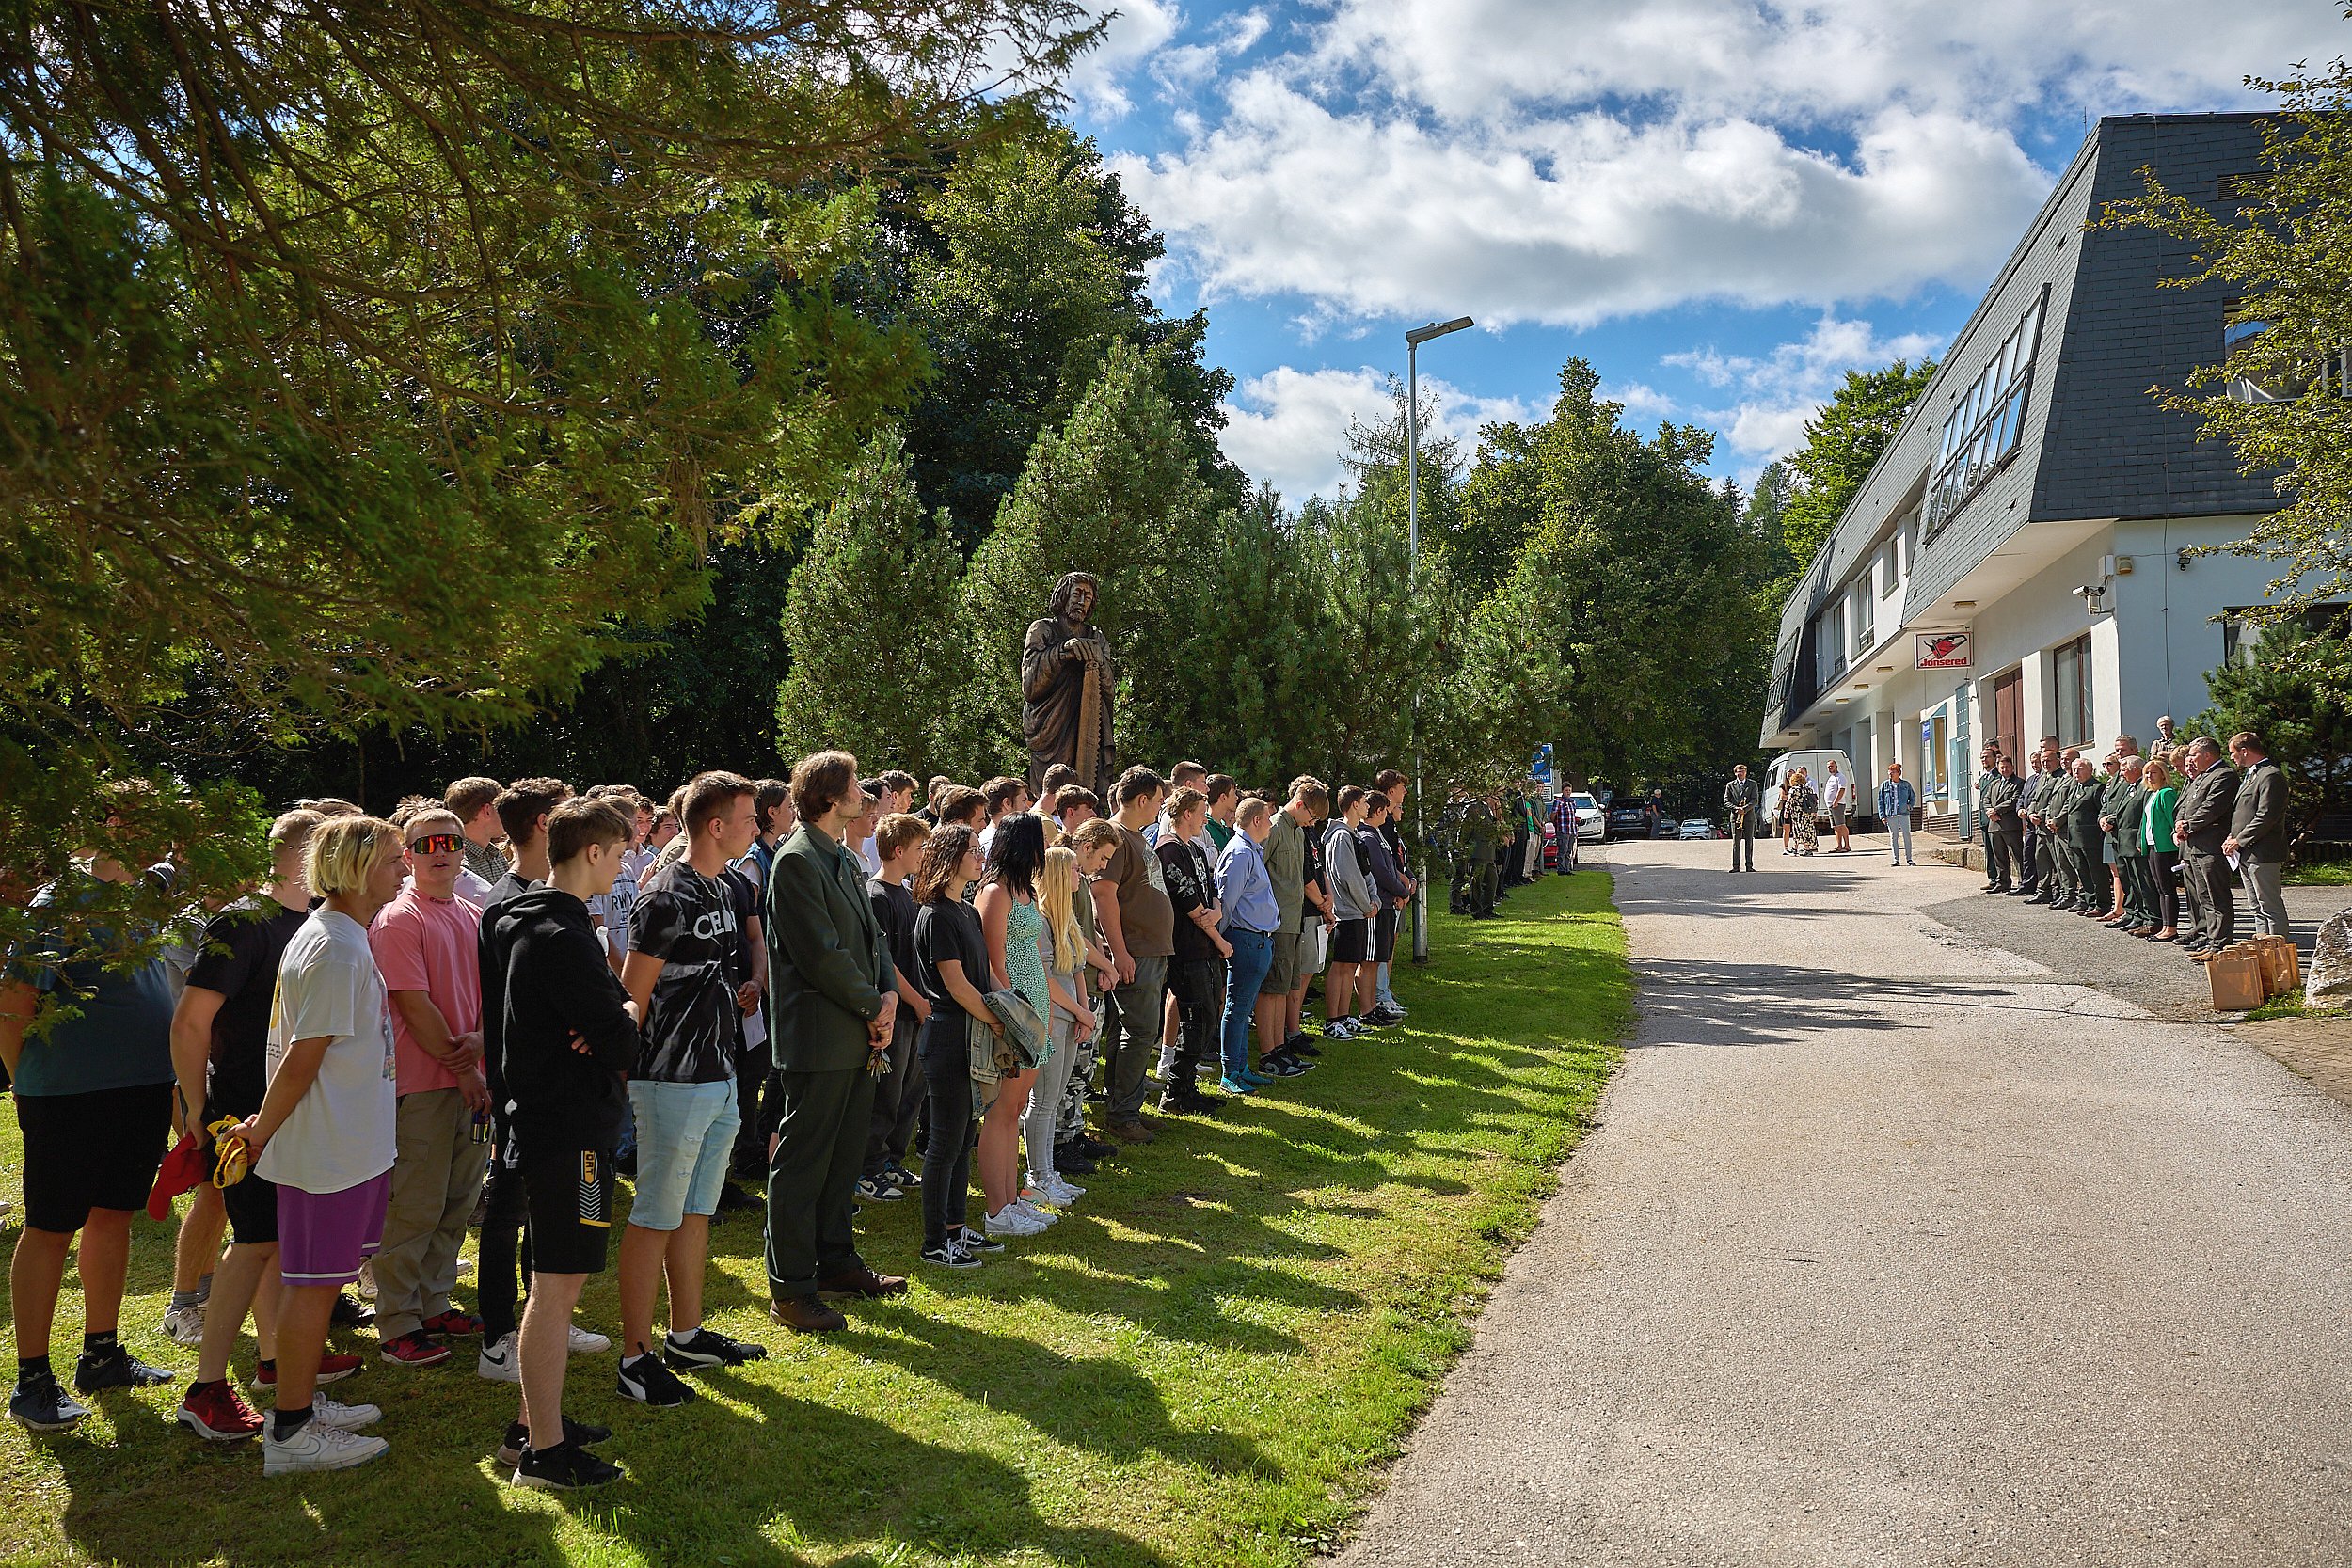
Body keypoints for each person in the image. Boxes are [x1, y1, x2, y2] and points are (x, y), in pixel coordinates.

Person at [231, 815, 406, 1474]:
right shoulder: (335, 946)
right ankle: (292, 1431)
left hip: (346, 1145)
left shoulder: (341, 935)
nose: (404, 869)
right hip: (328, 1152)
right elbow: (302, 1059)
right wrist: (260, 1131)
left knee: (320, 1284)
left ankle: (299, 1404)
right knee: (312, 1288)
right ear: (356, 869)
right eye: (393, 859)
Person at [2, 814, 183, 1432]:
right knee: (50, 1229)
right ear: (114, 824)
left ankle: (101, 1355)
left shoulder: (140, 901)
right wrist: (31, 1084)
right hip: (68, 1096)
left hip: (141, 1088)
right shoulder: (59, 904)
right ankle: (32, 1379)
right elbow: (13, 1006)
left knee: (114, 1216)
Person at [488, 797, 639, 1489]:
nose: (624, 864)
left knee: (555, 1282)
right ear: (593, 853)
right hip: (568, 1129)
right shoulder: (562, 935)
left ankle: (531, 1424)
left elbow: (605, 1026)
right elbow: (622, 1041)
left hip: (546, 1120)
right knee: (556, 1287)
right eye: (620, 852)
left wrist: (613, 1014)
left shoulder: (523, 919)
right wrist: (623, 1011)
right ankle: (544, 1453)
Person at [171, 810, 333, 1442]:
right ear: (305, 853)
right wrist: (196, 1107)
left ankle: (275, 1363)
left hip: (292, 1111)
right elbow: (190, 1022)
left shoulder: (312, 921)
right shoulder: (242, 923)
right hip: (244, 1113)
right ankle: (206, 1388)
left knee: (275, 1241)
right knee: (254, 1242)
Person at [615, 772, 769, 1402]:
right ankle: (635, 1356)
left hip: (719, 1074)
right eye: (749, 817)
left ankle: (686, 1334)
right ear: (715, 825)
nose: (757, 827)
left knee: (697, 1208)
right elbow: (633, 996)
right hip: (669, 1080)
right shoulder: (664, 896)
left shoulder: (728, 886)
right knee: (655, 1213)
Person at [764, 752, 905, 1333]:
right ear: (828, 796)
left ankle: (837, 1262)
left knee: (844, 1158)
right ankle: (792, 1288)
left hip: (858, 1033)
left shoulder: (842, 856)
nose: (863, 794)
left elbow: (873, 939)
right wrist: (874, 1005)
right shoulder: (797, 861)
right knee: (803, 1164)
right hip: (820, 1037)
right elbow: (820, 954)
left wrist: (888, 994)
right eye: (853, 785)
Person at [474, 777, 601, 1384]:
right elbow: (506, 1007)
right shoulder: (505, 905)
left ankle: (544, 1313)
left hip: (563, 1088)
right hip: (524, 1091)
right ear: (548, 825)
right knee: (507, 1208)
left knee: (550, 1215)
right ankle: (499, 1334)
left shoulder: (562, 901)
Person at [363, 808, 491, 1368]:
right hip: (424, 1086)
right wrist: (465, 1069)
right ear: (408, 855)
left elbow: (491, 995)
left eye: (450, 842)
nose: (440, 853)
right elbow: (413, 1006)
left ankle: (435, 1303)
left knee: (458, 1198)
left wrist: (481, 1044)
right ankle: (398, 1320)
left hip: (472, 1083)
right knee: (415, 1204)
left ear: (463, 850)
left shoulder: (473, 914)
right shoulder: (399, 919)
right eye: (426, 845)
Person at [909, 828, 993, 1269]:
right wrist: (997, 1020)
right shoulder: (936, 914)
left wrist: (1008, 1007)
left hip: (972, 1032)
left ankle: (956, 1227)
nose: (980, 858)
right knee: (944, 1140)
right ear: (949, 857)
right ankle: (934, 1241)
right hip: (947, 1036)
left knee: (964, 1137)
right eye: (972, 851)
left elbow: (984, 974)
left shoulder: (968, 911)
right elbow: (956, 985)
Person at [976, 813, 1057, 1236]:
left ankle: (1011, 1201)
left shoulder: (1025, 889)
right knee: (1001, 1112)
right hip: (1014, 1014)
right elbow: (992, 961)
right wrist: (1011, 1018)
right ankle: (997, 1210)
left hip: (1034, 1008)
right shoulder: (994, 891)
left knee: (1014, 1111)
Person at [1092, 767, 1174, 1145]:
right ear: (1142, 799)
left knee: (1130, 1030)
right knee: (1140, 1030)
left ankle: (1125, 1107)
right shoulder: (1116, 837)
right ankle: (1123, 1115)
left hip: (1147, 949)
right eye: (1158, 800)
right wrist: (1120, 951)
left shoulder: (1135, 836)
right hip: (1135, 951)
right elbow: (1103, 894)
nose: (1161, 807)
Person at [859, 814, 931, 1204]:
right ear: (899, 850)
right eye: (919, 847)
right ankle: (867, 1169)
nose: (925, 854)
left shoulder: (908, 895)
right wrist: (916, 1000)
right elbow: (884, 960)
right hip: (896, 1014)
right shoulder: (876, 897)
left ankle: (892, 1161)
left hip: (917, 1012)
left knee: (910, 1093)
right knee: (885, 1096)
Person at [1154, 787, 1238, 1104]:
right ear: (1187, 814)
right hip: (1187, 948)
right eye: (1201, 813)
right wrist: (1218, 937)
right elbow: (1189, 903)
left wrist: (1217, 910)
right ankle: (1176, 1090)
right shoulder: (1169, 850)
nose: (1205, 818)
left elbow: (1211, 891)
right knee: (1196, 1018)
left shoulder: (1197, 850)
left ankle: (1186, 1086)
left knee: (1208, 1016)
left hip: (1205, 945)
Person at [1030, 845, 1100, 1201]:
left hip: (1071, 1018)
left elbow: (1077, 969)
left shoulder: (1067, 916)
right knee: (1043, 1101)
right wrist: (1080, 1012)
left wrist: (1085, 1011)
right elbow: (1046, 980)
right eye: (1073, 869)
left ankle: (1049, 1173)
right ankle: (1038, 1176)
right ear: (1058, 875)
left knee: (1055, 1099)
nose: (1080, 874)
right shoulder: (1040, 919)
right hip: (1053, 1018)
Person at [1216, 799, 1282, 1097]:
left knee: (1243, 1009)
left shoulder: (1250, 851)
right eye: (1267, 818)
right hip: (1244, 940)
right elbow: (1226, 902)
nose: (1270, 824)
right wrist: (1219, 940)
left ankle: (1240, 1067)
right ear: (1256, 820)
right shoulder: (1240, 853)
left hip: (1257, 940)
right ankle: (1230, 1071)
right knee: (1236, 1007)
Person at [1322, 786, 1378, 1040]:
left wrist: (1373, 900)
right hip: (1346, 911)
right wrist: (1367, 905)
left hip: (1357, 911)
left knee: (1351, 964)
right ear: (1354, 805)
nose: (1368, 806)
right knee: (1341, 966)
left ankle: (1343, 1016)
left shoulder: (1352, 836)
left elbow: (1365, 872)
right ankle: (1331, 1021)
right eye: (1365, 802)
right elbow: (1348, 876)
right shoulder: (1341, 837)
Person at [2174, 739, 2239, 956]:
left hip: (2211, 844)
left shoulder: (2224, 775)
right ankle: (2211, 939)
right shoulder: (2201, 776)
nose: (2190, 759)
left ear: (2207, 755)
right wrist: (2180, 823)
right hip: (2195, 845)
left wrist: (2188, 825)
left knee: (2216, 896)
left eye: (2194, 755)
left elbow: (2212, 807)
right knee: (2204, 896)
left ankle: (2220, 943)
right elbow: (2186, 805)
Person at [2225, 732, 2292, 942]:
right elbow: (2244, 812)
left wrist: (2239, 840)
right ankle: (2263, 946)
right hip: (2246, 851)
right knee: (2255, 905)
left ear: (2244, 751)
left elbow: (2266, 815)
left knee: (2269, 904)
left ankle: (2278, 950)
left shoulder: (2270, 775)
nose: (2232, 757)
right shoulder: (2253, 774)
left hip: (2263, 851)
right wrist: (2232, 836)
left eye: (2233, 752)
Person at [1356, 794, 1411, 1029]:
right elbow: (1380, 873)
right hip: (1377, 905)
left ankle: (1373, 1006)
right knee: (1368, 961)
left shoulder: (1377, 835)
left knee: (1378, 959)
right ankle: (1367, 1008)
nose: (1388, 815)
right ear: (1379, 811)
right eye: (1386, 811)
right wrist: (1402, 890)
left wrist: (1402, 888)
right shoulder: (1367, 836)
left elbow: (1392, 866)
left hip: (1387, 903)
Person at [2141, 756, 2183, 942]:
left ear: (2163, 774)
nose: (2149, 776)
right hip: (2153, 845)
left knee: (2167, 888)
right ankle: (2165, 925)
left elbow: (2172, 819)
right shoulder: (2152, 794)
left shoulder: (2166, 793)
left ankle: (2171, 927)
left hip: (2165, 847)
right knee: (2159, 887)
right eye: (2147, 773)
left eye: (2153, 772)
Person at [446, 777, 509, 886]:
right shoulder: (459, 865)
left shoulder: (496, 856)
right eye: (503, 808)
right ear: (487, 811)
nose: (508, 815)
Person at [1982, 755, 2023, 894]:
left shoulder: (2018, 783)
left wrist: (1996, 810)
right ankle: (2002, 882)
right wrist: (1990, 812)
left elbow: (2014, 800)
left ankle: (2023, 882)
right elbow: (1986, 799)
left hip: (2010, 825)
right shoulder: (1994, 784)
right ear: (1998, 769)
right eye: (2002, 768)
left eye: (2007, 767)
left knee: (2017, 856)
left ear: (2012, 767)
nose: (2004, 770)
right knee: (1999, 857)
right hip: (1994, 825)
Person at [1723, 766, 1760, 873]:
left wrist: (1745, 808)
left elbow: (1755, 800)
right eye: (1739, 772)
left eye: (1743, 771)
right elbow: (1726, 801)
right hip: (1736, 817)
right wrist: (1736, 808)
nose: (1741, 774)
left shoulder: (1752, 784)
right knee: (1736, 842)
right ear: (1735, 773)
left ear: (1746, 772)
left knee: (1749, 841)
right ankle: (1736, 866)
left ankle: (1749, 865)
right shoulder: (1730, 785)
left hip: (1749, 817)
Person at [1877, 765, 1916, 865]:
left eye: (1893, 772)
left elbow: (1913, 797)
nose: (1890, 774)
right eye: (1889, 772)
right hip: (1891, 814)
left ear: (1899, 773)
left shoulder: (1906, 784)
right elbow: (1880, 801)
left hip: (1903, 813)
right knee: (1894, 836)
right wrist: (1882, 816)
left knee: (1906, 835)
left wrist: (1909, 806)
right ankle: (1896, 860)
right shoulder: (1884, 785)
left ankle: (1909, 859)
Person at [1820, 758, 1852, 853]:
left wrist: (1836, 802)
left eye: (1831, 766)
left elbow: (1841, 790)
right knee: (1835, 826)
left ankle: (1847, 846)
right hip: (1831, 806)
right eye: (1828, 766)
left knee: (1841, 825)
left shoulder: (1840, 777)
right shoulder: (1831, 777)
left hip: (1838, 805)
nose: (1830, 768)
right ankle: (1839, 846)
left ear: (1836, 766)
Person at [1785, 768, 1819, 856]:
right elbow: (1814, 800)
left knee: (1800, 830)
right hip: (1808, 813)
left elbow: (1789, 802)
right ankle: (1795, 848)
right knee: (1806, 830)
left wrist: (1786, 812)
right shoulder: (1808, 789)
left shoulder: (1793, 790)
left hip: (1798, 814)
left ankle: (1807, 850)